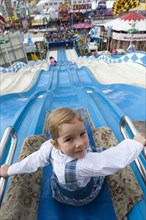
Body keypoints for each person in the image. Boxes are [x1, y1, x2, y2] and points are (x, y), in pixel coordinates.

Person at [0, 108, 145, 206]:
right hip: (83, 197)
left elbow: (32, 161)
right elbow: (114, 160)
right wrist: (135, 144)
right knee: (102, 159)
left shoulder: (48, 147)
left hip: (60, 191)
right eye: (69, 139)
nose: (80, 143)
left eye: (82, 134)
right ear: (56, 144)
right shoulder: (84, 164)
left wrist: (9, 170)